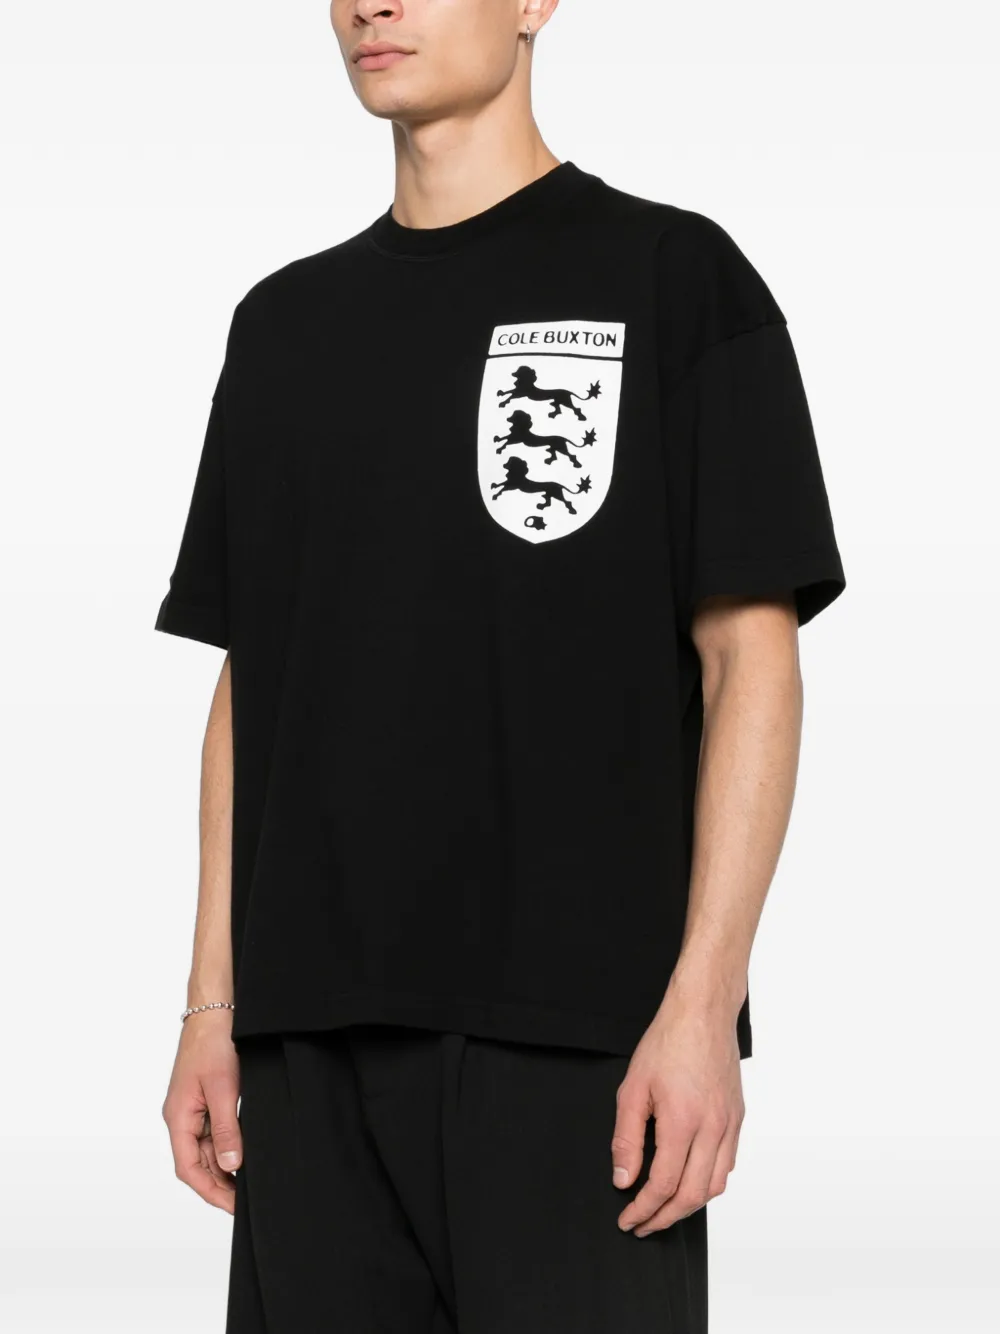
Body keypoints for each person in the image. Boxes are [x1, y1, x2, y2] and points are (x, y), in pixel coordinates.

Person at [156, 2, 845, 1331]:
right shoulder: (283, 328)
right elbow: (255, 684)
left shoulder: (676, 279)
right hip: (310, 1056)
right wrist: (209, 1006)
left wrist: (704, 1004)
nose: (371, 3)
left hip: (583, 1051)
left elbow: (748, 661)